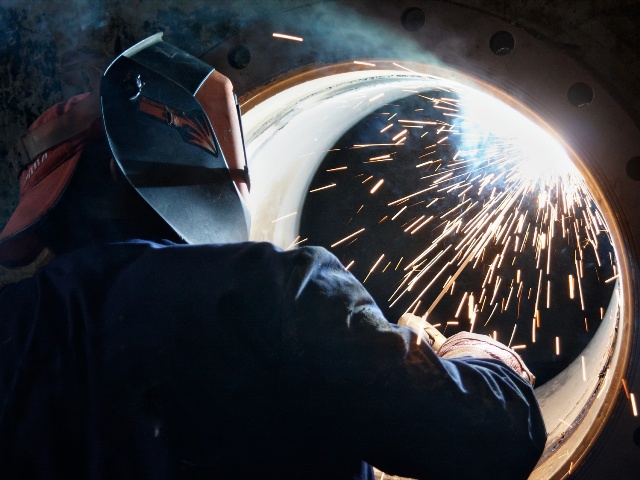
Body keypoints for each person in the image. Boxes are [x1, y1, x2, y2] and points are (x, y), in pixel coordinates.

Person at [0, 35, 546, 480]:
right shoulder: (266, 291)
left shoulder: (15, 324)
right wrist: (481, 361)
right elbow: (490, 440)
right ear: (158, 149)